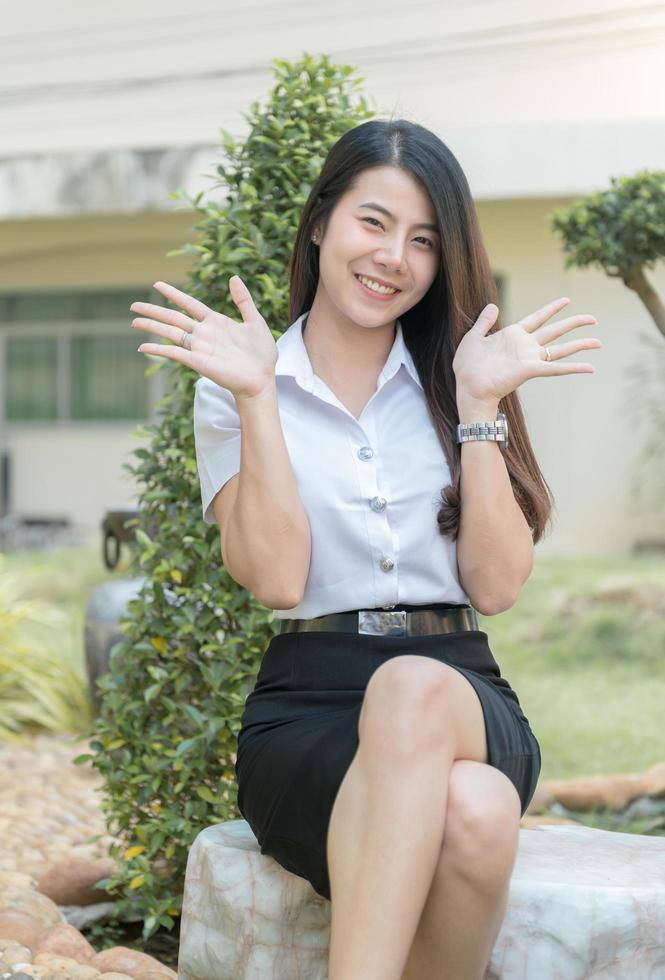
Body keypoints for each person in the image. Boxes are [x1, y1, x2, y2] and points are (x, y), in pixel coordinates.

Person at [131, 118, 601, 980]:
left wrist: (479, 403)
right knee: (479, 812)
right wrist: (258, 400)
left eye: (423, 240)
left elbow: (494, 586)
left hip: (459, 690)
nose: (393, 257)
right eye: (372, 223)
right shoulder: (240, 383)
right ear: (320, 224)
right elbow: (275, 578)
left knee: (415, 687)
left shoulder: (464, 377)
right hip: (309, 710)